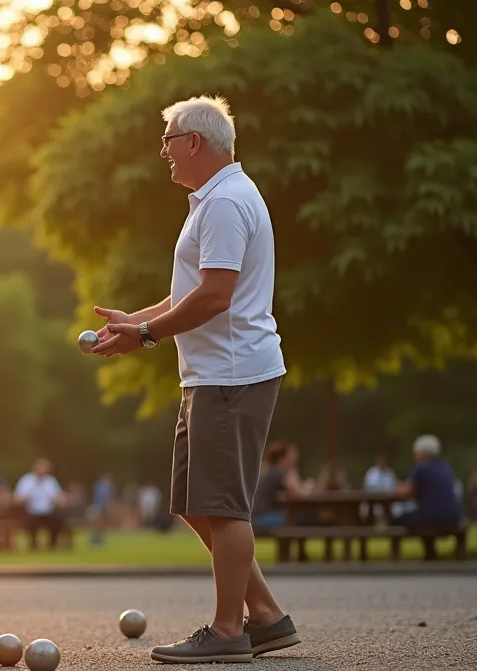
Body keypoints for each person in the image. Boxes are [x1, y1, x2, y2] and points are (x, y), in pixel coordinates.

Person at [92, 96, 297, 664]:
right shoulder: (210, 201)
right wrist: (137, 321)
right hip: (208, 376)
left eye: (168, 140)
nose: (163, 151)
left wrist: (149, 336)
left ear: (196, 143)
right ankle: (267, 616)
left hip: (231, 375)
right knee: (192, 502)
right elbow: (191, 291)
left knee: (226, 507)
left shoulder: (227, 202)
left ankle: (230, 631)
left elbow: (215, 296)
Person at [395, 435, 462, 532]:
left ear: (422, 454)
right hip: (453, 517)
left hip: (432, 517)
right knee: (420, 519)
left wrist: (398, 489)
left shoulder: (421, 468)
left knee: (398, 520)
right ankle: (430, 547)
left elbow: (409, 492)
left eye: (416, 453)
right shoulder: (446, 467)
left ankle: (396, 546)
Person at [13, 458, 67, 550]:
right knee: (30, 521)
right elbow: (17, 497)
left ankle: (52, 545)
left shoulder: (51, 481)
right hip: (31, 511)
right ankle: (33, 544)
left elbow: (58, 495)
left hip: (48, 512)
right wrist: (25, 499)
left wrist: (62, 499)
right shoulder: (27, 480)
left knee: (59, 520)